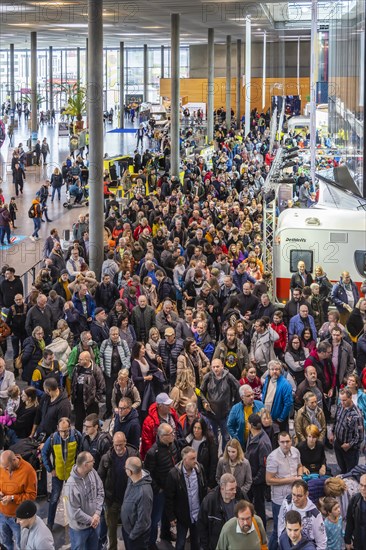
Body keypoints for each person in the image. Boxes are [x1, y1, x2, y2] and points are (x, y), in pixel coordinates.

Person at [98, 431, 139, 550]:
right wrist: (104, 498)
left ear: (125, 443)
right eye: (116, 445)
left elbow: (139, 475)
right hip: (111, 501)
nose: (118, 447)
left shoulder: (133, 456)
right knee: (111, 529)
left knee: (129, 529)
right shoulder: (106, 458)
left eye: (120, 444)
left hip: (128, 501)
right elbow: (100, 478)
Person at [144, 422, 182, 547]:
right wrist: (158, 489)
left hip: (172, 488)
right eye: (170, 434)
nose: (173, 435)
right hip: (160, 491)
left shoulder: (173, 444)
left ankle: (165, 534)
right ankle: (151, 543)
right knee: (156, 518)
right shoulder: (152, 453)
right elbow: (148, 474)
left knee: (168, 514)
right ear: (162, 436)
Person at [41, 417, 81, 531]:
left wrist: (78, 469)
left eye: (66, 430)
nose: (63, 433)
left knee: (73, 498)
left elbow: (83, 450)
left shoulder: (76, 436)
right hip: (57, 474)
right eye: (61, 431)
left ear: (70, 428)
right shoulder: (53, 438)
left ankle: (75, 521)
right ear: (58, 428)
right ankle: (50, 523)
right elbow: (44, 452)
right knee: (54, 499)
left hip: (72, 475)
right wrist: (50, 469)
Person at [165, 446, 207, 550]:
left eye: (195, 458)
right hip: (182, 516)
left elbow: (204, 488)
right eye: (192, 459)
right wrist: (171, 516)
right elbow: (169, 498)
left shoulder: (200, 469)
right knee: (180, 543)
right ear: (185, 460)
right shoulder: (174, 474)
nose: (195, 461)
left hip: (197, 514)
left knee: (196, 542)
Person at [266, 432, 303, 550]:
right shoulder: (273, 457)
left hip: (295, 497)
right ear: (278, 442)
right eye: (282, 442)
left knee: (291, 526)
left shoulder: (296, 452)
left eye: (287, 441)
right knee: (278, 529)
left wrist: (300, 476)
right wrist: (290, 480)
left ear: (291, 441)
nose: (285, 444)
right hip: (279, 499)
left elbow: (300, 465)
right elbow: (269, 480)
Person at [64, 451, 105, 549]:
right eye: (92, 461)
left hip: (94, 524)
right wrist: (92, 520)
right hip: (79, 530)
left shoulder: (92, 472)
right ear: (85, 465)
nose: (94, 462)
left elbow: (100, 490)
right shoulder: (71, 486)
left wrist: (97, 513)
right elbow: (74, 512)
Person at [200, 358, 240, 450]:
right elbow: (200, 391)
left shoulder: (229, 377)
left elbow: (238, 387)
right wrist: (204, 401)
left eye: (217, 366)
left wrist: (235, 405)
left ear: (222, 366)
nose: (215, 369)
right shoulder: (208, 377)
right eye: (213, 367)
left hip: (226, 413)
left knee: (226, 437)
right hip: (211, 414)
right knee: (213, 438)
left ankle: (224, 456)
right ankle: (214, 458)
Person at [0, 450, 37, 550]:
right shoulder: (2, 467)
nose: (5, 469)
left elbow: (31, 496)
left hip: (18, 518)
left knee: (22, 545)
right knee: (5, 542)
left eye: (7, 467)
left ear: (13, 460)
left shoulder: (28, 470)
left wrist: (12, 498)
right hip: (2, 515)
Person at [197, 473, 244, 550]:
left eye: (235, 488)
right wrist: (206, 547)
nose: (235, 491)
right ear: (222, 488)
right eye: (231, 489)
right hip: (217, 544)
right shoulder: (210, 501)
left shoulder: (240, 496)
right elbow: (202, 526)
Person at [277, 480, 326, 550]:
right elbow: (281, 524)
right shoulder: (287, 503)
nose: (295, 499)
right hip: (287, 543)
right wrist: (280, 541)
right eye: (293, 494)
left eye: (299, 496)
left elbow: (321, 541)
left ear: (306, 494)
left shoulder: (314, 515)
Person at [329, 387, 364, 474]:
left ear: (350, 398)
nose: (342, 402)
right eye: (341, 400)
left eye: (344, 400)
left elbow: (360, 437)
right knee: (341, 466)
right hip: (338, 443)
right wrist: (332, 433)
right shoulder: (341, 405)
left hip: (350, 449)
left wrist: (349, 445)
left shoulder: (357, 415)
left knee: (350, 471)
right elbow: (336, 420)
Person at [121, 456, 153, 550]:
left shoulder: (144, 493)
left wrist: (132, 536)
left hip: (137, 536)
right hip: (127, 529)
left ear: (130, 471)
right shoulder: (131, 479)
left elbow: (143, 520)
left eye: (125, 468)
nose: (125, 470)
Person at [99, 326, 131, 419]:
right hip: (109, 373)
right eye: (113, 334)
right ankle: (109, 410)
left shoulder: (123, 343)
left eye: (117, 334)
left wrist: (126, 367)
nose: (115, 336)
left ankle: (121, 410)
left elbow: (128, 355)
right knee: (109, 393)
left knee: (121, 392)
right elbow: (101, 356)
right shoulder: (105, 343)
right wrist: (102, 367)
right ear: (109, 335)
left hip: (120, 373)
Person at [70, 350, 105, 432]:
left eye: (80, 359)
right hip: (78, 401)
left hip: (91, 403)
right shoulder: (77, 368)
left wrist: (95, 398)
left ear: (87, 359)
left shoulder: (95, 369)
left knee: (93, 423)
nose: (78, 361)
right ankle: (78, 440)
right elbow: (72, 381)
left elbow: (102, 385)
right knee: (78, 423)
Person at [227, 384, 264, 448]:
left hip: (258, 441)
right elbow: (229, 426)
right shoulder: (235, 408)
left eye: (252, 394)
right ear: (242, 397)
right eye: (248, 396)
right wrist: (235, 438)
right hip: (242, 443)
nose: (252, 397)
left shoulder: (260, 405)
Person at [186, 417, 218, 489]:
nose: (196, 430)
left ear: (203, 429)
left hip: (204, 475)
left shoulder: (210, 442)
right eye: (194, 427)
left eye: (199, 428)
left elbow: (213, 463)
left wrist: (210, 483)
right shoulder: (188, 438)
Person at [262, 360, 293, 432]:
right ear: (269, 370)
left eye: (277, 369)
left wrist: (281, 418)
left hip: (278, 420)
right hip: (267, 416)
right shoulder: (267, 379)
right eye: (272, 369)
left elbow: (288, 403)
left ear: (280, 370)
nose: (274, 371)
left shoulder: (285, 384)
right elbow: (264, 393)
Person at [344, 473, 366, 550]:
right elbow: (350, 521)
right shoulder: (355, 499)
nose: (363, 489)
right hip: (359, 542)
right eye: (361, 485)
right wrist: (347, 540)